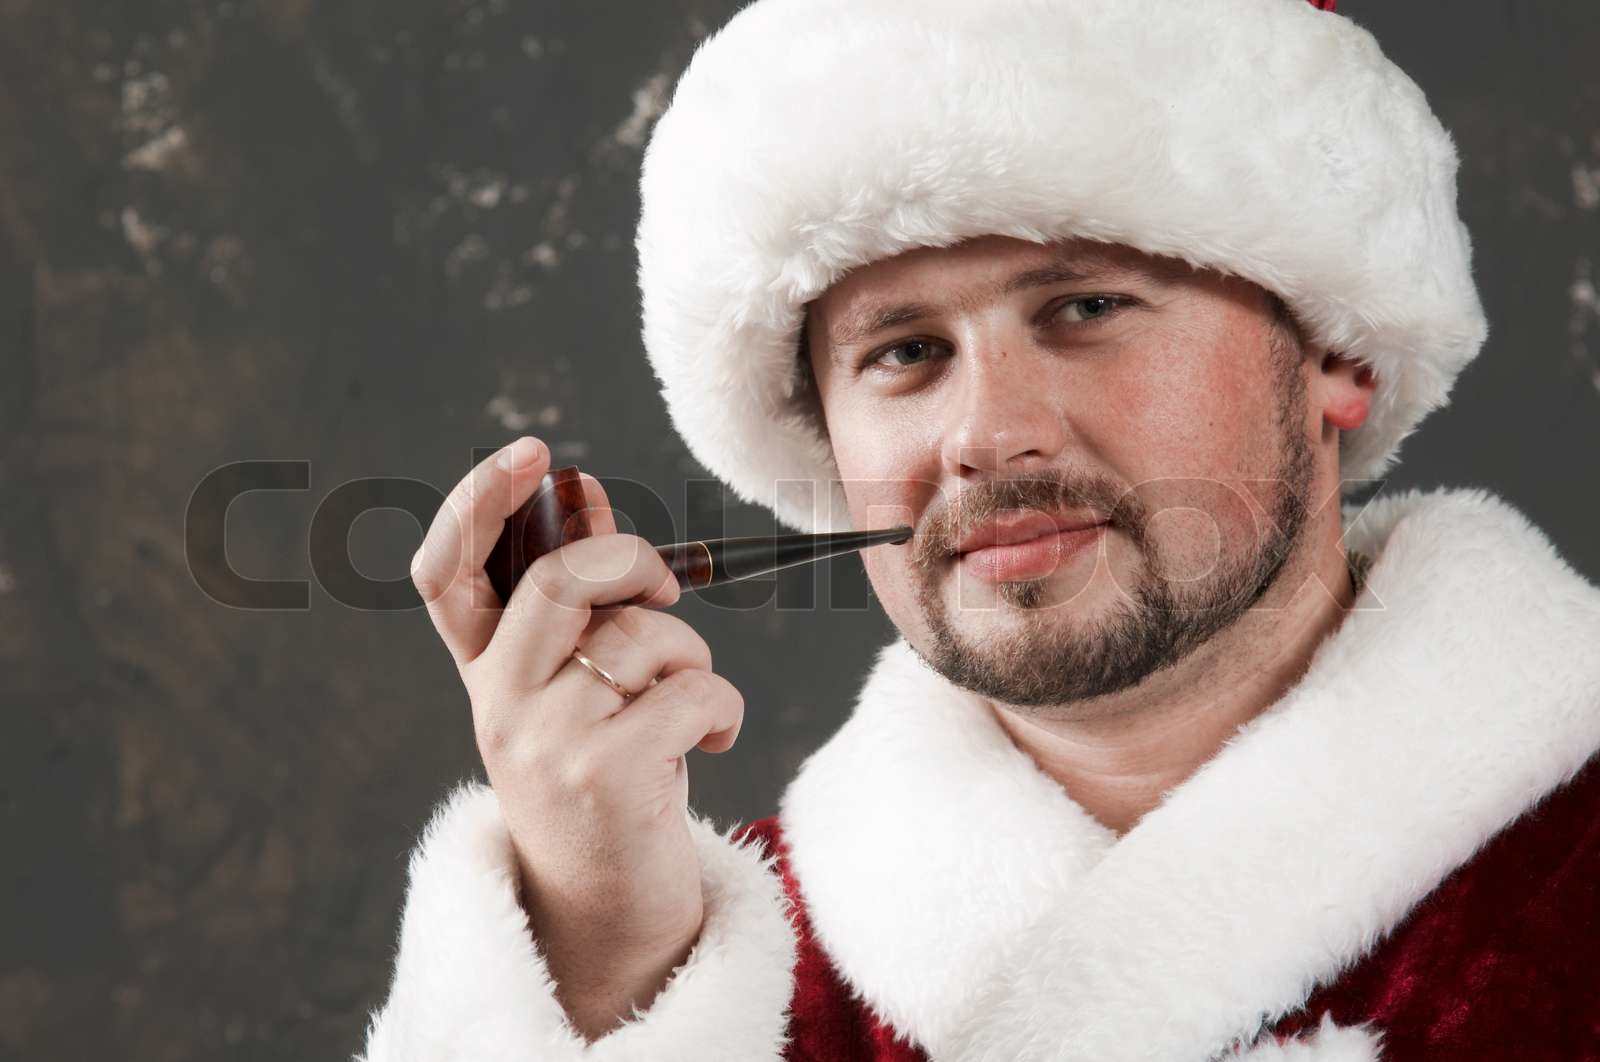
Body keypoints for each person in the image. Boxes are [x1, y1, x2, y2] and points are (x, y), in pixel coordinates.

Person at [360, 1, 1600, 1059]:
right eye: (904, 352)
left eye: (1086, 305)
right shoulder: (701, 981)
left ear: (1337, 349)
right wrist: (597, 968)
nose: (986, 434)